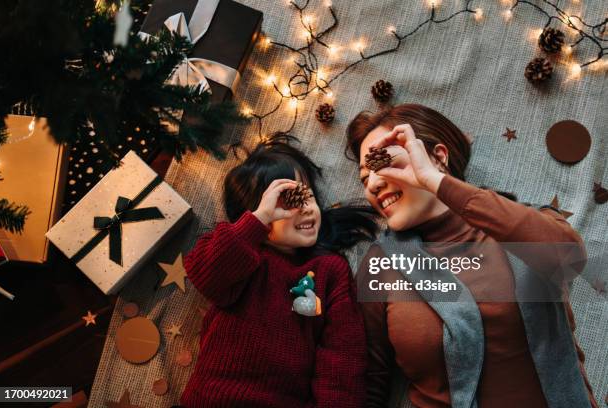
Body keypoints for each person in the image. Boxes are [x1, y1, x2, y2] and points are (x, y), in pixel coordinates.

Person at [346, 104, 598, 408]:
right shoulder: (380, 266)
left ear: (438, 157)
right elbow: (368, 381)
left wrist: (436, 182)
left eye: (385, 162)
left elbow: (568, 257)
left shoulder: (518, 225)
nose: (373, 184)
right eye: (365, 177)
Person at [180, 135, 377, 407]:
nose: (305, 208)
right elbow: (203, 274)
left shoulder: (329, 270)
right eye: (287, 201)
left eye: (307, 195)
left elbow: (342, 360)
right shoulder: (240, 256)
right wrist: (258, 221)